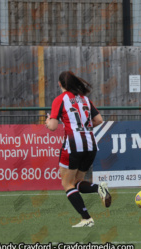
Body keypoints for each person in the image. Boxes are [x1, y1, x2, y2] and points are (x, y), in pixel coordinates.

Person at [45, 71, 111, 227]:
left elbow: (53, 126)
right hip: (90, 144)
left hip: (73, 145)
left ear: (60, 84)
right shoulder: (85, 99)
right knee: (77, 181)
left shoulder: (60, 99)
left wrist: (48, 121)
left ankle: (86, 218)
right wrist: (84, 127)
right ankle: (99, 188)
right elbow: (99, 120)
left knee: (67, 184)